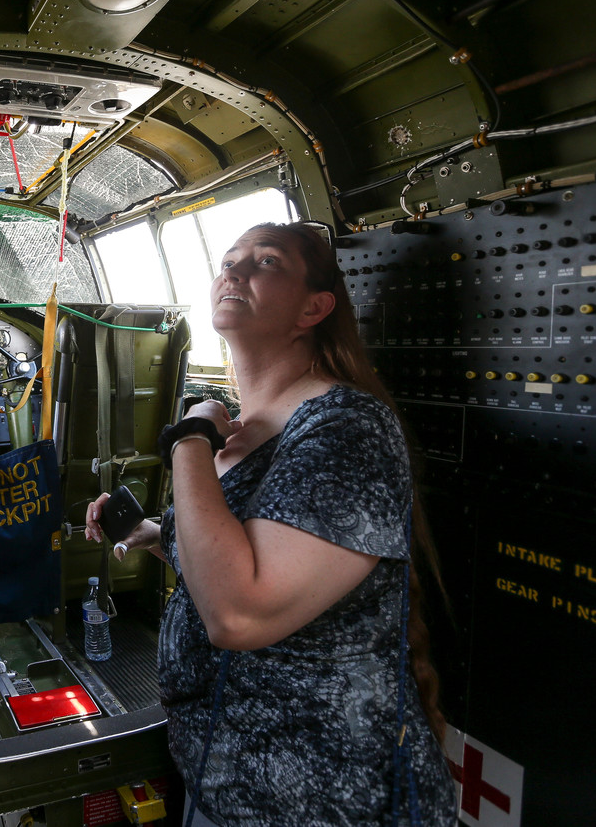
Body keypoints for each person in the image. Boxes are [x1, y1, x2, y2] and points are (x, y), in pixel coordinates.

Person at [85, 222, 456, 826]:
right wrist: (157, 536)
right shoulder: (243, 431)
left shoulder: (345, 427)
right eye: (229, 260)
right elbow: (235, 561)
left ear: (314, 308)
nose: (234, 271)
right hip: (226, 782)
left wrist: (189, 436)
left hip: (324, 797)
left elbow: (239, 612)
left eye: (266, 262)